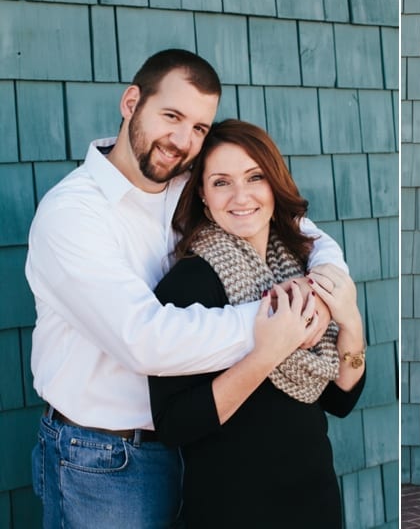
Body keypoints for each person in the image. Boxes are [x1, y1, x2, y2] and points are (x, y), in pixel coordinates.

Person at [25, 49, 348, 528]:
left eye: (199, 127)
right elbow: (145, 339)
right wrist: (281, 322)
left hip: (199, 445)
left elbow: (301, 229)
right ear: (131, 102)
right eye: (171, 116)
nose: (182, 140)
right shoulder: (72, 215)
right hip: (109, 456)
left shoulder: (188, 183)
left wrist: (326, 286)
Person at [147, 119, 366, 528]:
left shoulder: (301, 268)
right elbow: (175, 424)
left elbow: (341, 401)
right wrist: (267, 353)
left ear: (274, 183)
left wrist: (350, 321)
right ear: (202, 194)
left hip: (314, 502)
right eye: (222, 182)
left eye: (255, 177)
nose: (241, 196)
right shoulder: (189, 283)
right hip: (234, 508)